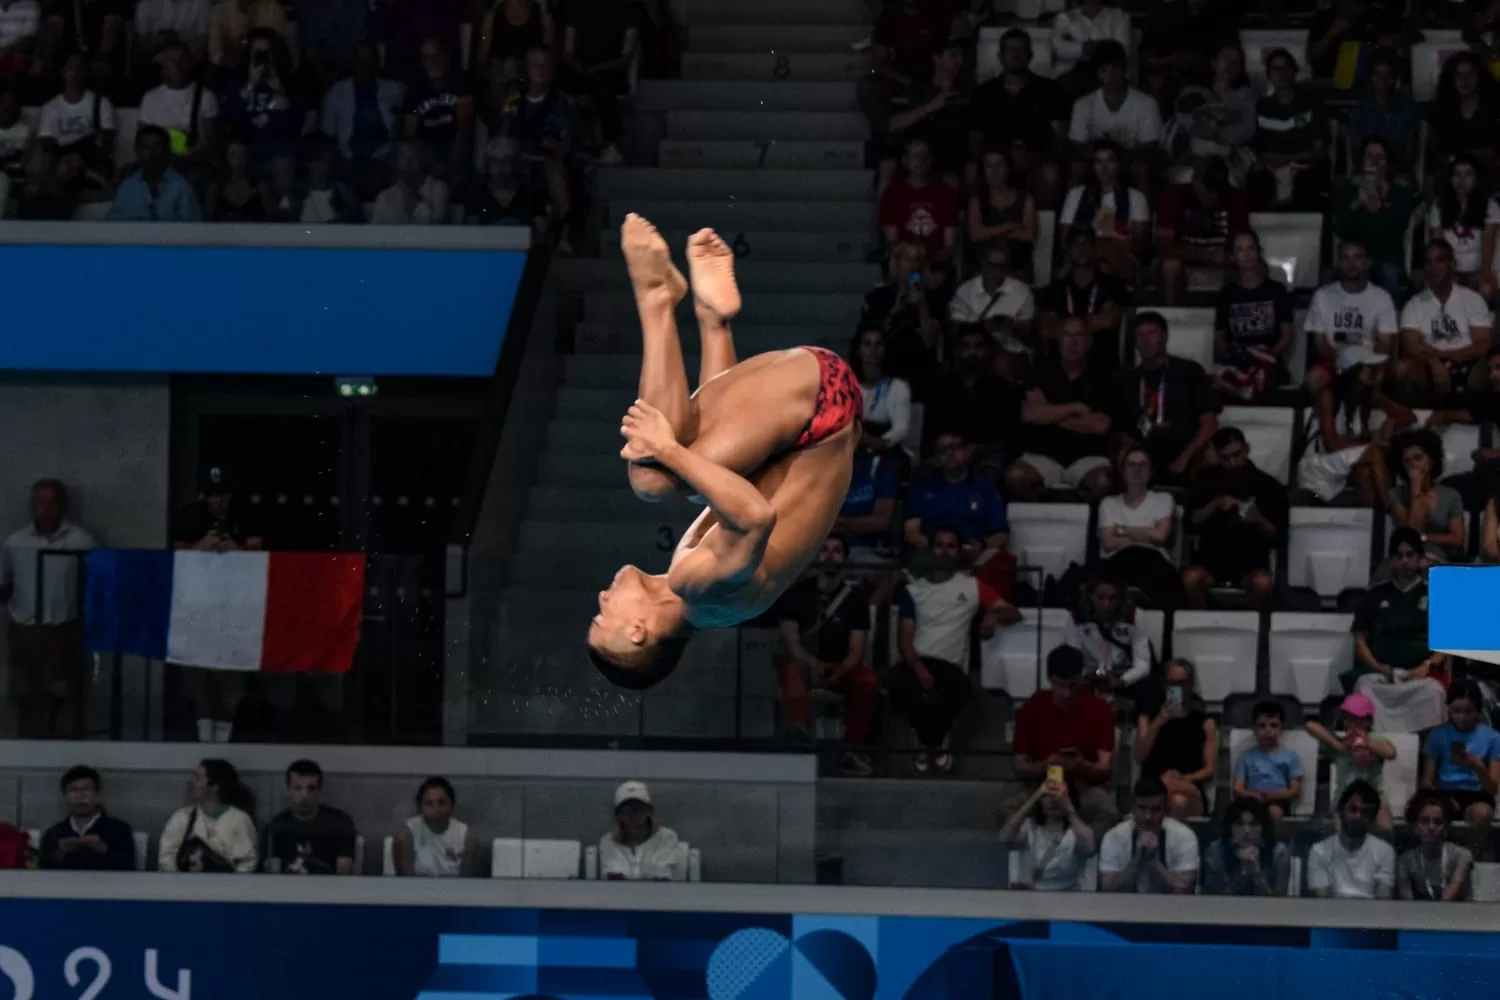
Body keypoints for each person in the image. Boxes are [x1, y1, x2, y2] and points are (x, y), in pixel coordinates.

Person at [588, 218, 862, 689]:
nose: (601, 597)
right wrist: (666, 449)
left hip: (821, 410)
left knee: (696, 482)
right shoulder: (697, 588)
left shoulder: (702, 596)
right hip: (818, 407)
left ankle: (714, 322)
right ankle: (656, 300)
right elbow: (755, 516)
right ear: (638, 632)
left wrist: (677, 449)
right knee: (653, 478)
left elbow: (739, 470)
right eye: (602, 616)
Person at [893, 525, 1019, 774]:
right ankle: (933, 741)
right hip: (916, 662)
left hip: (951, 667)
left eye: (952, 546)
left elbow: (1012, 611)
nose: (945, 551)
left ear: (960, 551)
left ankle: (928, 742)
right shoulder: (913, 590)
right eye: (940, 545)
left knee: (952, 689)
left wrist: (992, 616)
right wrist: (920, 671)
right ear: (930, 550)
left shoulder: (973, 587)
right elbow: (905, 641)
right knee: (904, 685)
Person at [0, 478, 96, 739]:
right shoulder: (16, 542)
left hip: (61, 626)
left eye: (53, 501)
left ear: (63, 505)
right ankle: (25, 738)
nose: (46, 507)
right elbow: (5, 581)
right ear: (32, 505)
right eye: (41, 501)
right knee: (22, 688)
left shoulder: (81, 540)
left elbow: (95, 582)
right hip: (24, 625)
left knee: (58, 688)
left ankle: (48, 737)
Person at [775, 535, 879, 777]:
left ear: (845, 558)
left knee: (868, 683)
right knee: (792, 671)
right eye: (823, 550)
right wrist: (813, 665)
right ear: (815, 556)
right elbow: (792, 642)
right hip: (803, 662)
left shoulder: (856, 597)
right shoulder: (796, 593)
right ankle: (800, 743)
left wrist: (840, 671)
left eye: (836, 550)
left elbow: (857, 649)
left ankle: (850, 751)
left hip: (840, 666)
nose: (830, 555)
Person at [1011, 645, 1120, 839]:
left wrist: (1082, 765)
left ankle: (1079, 849)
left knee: (1109, 814)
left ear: (1081, 679)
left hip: (1083, 786)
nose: (1067, 693)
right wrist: (1046, 764)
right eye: (1060, 685)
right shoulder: (1032, 707)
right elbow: (1020, 765)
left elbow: (1105, 768)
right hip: (1042, 786)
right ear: (1049, 680)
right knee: (1008, 811)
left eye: (1073, 685)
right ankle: (1036, 852)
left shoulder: (1099, 708)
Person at [1350, 528, 1450, 733]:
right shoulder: (1374, 596)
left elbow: (1448, 643)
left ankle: (1425, 755)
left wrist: (1427, 666)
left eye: (1410, 555)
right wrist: (1379, 667)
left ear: (1421, 558)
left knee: (1434, 693)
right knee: (1363, 689)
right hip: (1381, 675)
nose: (1404, 561)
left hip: (1422, 676)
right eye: (1399, 555)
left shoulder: (1437, 594)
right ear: (1391, 561)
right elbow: (1359, 640)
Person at [1007, 317, 1114, 501]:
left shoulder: (1103, 375)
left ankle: (1082, 524)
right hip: (1042, 455)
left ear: (1089, 342)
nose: (1073, 341)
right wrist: (1076, 408)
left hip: (1088, 458)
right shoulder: (1040, 371)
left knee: (1103, 481)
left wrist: (1048, 411)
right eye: (1067, 335)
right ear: (1058, 340)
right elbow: (1029, 414)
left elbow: (1100, 425)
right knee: (1015, 477)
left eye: (1079, 335)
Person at [1182, 427, 1286, 610]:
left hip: (1250, 564)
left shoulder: (1268, 485)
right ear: (1216, 454)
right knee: (1190, 579)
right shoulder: (1205, 481)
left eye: (1236, 455)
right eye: (1225, 457)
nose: (1232, 461)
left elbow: (1278, 536)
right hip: (1211, 563)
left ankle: (1251, 634)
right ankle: (1201, 630)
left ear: (1246, 449)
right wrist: (1214, 505)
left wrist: (1258, 519)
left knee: (1262, 583)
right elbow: (1189, 523)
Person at [1115, 311, 1220, 484]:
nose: (1145, 340)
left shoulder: (1190, 371)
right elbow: (1123, 431)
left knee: (1210, 459)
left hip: (1186, 453)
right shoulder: (1128, 379)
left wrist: (1185, 458)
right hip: (1142, 457)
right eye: (1140, 335)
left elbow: (1210, 424)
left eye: (1152, 333)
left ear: (1165, 337)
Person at [1396, 239, 1492, 403]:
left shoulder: (1472, 300)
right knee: (1401, 369)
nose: (1434, 267)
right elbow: (1410, 346)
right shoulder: (1414, 304)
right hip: (1429, 363)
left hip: (1467, 361)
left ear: (1453, 265)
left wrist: (1448, 357)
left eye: (1440, 260)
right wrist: (1434, 361)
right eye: (1429, 262)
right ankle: (1416, 418)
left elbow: (1482, 344)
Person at [1303, 241, 1398, 400]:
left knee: (1373, 378)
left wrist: (1365, 366)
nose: (1351, 264)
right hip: (1335, 361)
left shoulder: (1381, 297)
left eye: (1357, 257)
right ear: (1339, 263)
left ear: (1367, 262)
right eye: (1345, 258)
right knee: (1314, 379)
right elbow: (1320, 343)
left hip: (1369, 362)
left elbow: (1385, 344)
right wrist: (1341, 363)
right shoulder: (1322, 296)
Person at [1096, 446, 1183, 608]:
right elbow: (1109, 543)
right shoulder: (1109, 503)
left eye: (1142, 465)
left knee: (1158, 571)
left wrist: (1123, 530)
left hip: (1153, 561)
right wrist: (1147, 533)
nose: (1137, 470)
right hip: (1119, 561)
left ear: (1150, 472)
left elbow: (1160, 536)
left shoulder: (1163, 499)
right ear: (1123, 472)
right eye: (1131, 465)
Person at [1421, 679, 1500, 856]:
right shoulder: (1438, 734)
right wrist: (1436, 798)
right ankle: (1438, 857)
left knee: (1482, 814)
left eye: (1468, 712)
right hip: (1446, 793)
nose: (1462, 717)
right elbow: (1427, 779)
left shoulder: (1493, 737)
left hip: (1477, 794)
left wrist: (1479, 767)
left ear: (1477, 710)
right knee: (1433, 813)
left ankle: (1471, 855)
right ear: (1448, 709)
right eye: (1456, 711)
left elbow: (1493, 788)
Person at [1212, 230, 1293, 402]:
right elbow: (1219, 342)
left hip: (1269, 361)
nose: (1247, 255)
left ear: (1259, 252)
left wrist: (1264, 356)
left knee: (1262, 379)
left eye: (1251, 249)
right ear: (1233, 257)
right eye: (1240, 250)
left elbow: (1286, 337)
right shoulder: (1226, 295)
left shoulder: (1277, 291)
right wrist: (1241, 355)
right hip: (1237, 360)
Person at [1133, 658, 1217, 819]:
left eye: (1182, 683)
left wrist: (1181, 778)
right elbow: (1139, 756)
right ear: (1164, 685)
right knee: (1176, 801)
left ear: (1191, 686)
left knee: (1179, 801)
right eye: (1172, 683)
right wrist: (1159, 722)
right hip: (1154, 789)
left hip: (1188, 786)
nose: (1176, 688)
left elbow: (1209, 770)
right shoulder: (1148, 719)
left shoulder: (1205, 723)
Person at [1333, 136, 1415, 298]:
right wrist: (1357, 203)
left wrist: (1379, 205)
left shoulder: (1401, 194)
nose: (1374, 162)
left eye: (1380, 157)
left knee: (1388, 272)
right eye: (1369, 157)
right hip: (1353, 260)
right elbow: (1339, 229)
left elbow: (1393, 232)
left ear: (1388, 163)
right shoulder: (1348, 191)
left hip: (1387, 258)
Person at [1305, 692, 1396, 831]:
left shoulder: (1375, 740)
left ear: (1368, 722)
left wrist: (1367, 743)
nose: (1350, 723)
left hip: (1375, 797)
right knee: (1341, 832)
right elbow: (1310, 725)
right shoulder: (1339, 742)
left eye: (1356, 719)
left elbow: (1391, 753)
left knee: (1386, 829)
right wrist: (1338, 745)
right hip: (1344, 798)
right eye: (1347, 719)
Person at [1098, 773, 1199, 893]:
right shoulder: (1114, 837)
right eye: (1142, 808)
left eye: (1155, 809)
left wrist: (1155, 863)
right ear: (1132, 808)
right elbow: (1107, 888)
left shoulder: (1184, 836)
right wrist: (1136, 861)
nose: (1148, 817)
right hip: (1126, 908)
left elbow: (1186, 890)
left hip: (1172, 909)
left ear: (1166, 810)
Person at [997, 774, 1097, 891]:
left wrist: (1067, 805)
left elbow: (1089, 847)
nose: (1053, 800)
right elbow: (1005, 838)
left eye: (1058, 796)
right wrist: (1035, 797)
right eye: (1047, 796)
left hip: (1068, 900)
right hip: (1030, 899)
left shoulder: (1078, 831)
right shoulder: (1028, 827)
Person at [157, 758, 258, 873]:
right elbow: (166, 859)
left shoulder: (239, 820)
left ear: (214, 787)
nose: (191, 782)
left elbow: (246, 863)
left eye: (197, 778)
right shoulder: (181, 818)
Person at [260, 759, 358, 875]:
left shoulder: (340, 823)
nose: (304, 795)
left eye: (311, 788)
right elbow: (273, 877)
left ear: (319, 790)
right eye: (298, 788)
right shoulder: (275, 827)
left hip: (329, 890)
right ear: (288, 790)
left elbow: (343, 873)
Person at [1385, 430, 1465, 566]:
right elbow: (1411, 533)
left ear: (1431, 460)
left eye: (1418, 458)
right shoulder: (1395, 494)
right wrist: (1415, 491)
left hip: (1437, 557)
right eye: (1407, 461)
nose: (1412, 465)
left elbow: (1456, 538)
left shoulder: (1451, 495)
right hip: (1404, 559)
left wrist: (1424, 537)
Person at [1305, 780, 1395, 899]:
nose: (1358, 816)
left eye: (1365, 812)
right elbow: (1322, 902)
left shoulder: (1385, 851)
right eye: (1353, 809)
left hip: (1372, 916)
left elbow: (1383, 900)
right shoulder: (1319, 851)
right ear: (1341, 810)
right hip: (1331, 915)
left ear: (1372, 817)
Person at [1066, 574, 1152, 694]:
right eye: (1100, 598)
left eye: (1112, 599)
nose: (1106, 604)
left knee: (1146, 685)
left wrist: (1123, 680)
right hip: (1090, 674)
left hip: (1123, 673)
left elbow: (1143, 663)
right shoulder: (1076, 618)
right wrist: (1086, 676)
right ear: (1090, 597)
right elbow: (1073, 656)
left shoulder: (1133, 616)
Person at [38, 765, 136, 871]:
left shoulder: (119, 830)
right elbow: (41, 873)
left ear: (97, 794)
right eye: (74, 790)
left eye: (86, 789)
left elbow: (129, 870)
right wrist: (60, 853)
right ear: (64, 795)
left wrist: (102, 848)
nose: (80, 796)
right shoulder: (54, 834)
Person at [1427, 154, 1499, 298]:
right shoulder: (1439, 206)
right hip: (1448, 268)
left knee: (1486, 288)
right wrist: (1449, 273)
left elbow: (1489, 245)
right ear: (1450, 179)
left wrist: (1483, 273)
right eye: (1457, 175)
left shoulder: (1490, 206)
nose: (1462, 180)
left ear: (1476, 179)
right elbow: (1438, 246)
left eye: (1468, 175)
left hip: (1477, 269)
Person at [106, 125, 199, 221]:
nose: (150, 153)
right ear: (137, 151)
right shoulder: (127, 188)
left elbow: (192, 230)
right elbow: (112, 226)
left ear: (166, 151)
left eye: (157, 147)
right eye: (145, 147)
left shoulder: (181, 188)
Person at [1200, 798, 1290, 896]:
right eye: (1239, 824)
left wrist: (1256, 871)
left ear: (1263, 828)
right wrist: (1243, 872)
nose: (1246, 830)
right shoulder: (1216, 851)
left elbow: (1279, 900)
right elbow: (1213, 899)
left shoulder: (1279, 853)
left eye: (1253, 824)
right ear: (1230, 828)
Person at [1230, 700, 1303, 822]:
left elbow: (1294, 790)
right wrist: (1254, 795)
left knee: (1274, 813)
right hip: (1251, 799)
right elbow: (1238, 788)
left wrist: (1270, 796)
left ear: (1281, 729)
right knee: (1241, 815)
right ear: (1254, 728)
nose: (1268, 730)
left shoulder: (1290, 756)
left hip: (1278, 799)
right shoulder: (1247, 757)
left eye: (1274, 725)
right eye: (1262, 726)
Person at [392, 776, 476, 877]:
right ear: (420, 807)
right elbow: (403, 882)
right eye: (429, 803)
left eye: (441, 803)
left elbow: (468, 884)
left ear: (451, 805)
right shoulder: (406, 834)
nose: (436, 809)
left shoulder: (466, 837)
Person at [1397, 790, 1473, 901]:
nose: (1431, 827)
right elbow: (1406, 899)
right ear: (1415, 827)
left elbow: (1451, 894)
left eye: (1438, 822)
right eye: (1425, 821)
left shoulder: (1462, 855)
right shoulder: (1405, 861)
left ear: (1446, 828)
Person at [599, 780, 683, 880]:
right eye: (627, 809)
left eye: (638, 808)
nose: (633, 814)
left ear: (650, 811)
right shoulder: (607, 842)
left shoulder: (666, 838)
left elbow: (661, 877)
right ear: (618, 814)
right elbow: (613, 877)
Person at [849, 329, 912, 460]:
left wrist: (876, 442)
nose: (873, 349)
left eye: (878, 344)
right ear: (858, 351)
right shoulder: (847, 385)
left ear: (884, 350)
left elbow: (901, 429)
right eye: (867, 344)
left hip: (886, 448)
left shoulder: (897, 387)